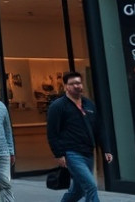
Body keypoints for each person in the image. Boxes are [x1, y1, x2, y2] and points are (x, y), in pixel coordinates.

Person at [46, 71, 113, 202]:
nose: (77, 86)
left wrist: (106, 149)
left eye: (79, 83)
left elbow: (99, 128)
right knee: (91, 186)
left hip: (88, 152)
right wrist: (58, 154)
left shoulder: (89, 104)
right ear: (65, 86)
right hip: (72, 153)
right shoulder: (58, 106)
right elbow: (52, 132)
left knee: (78, 190)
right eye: (73, 84)